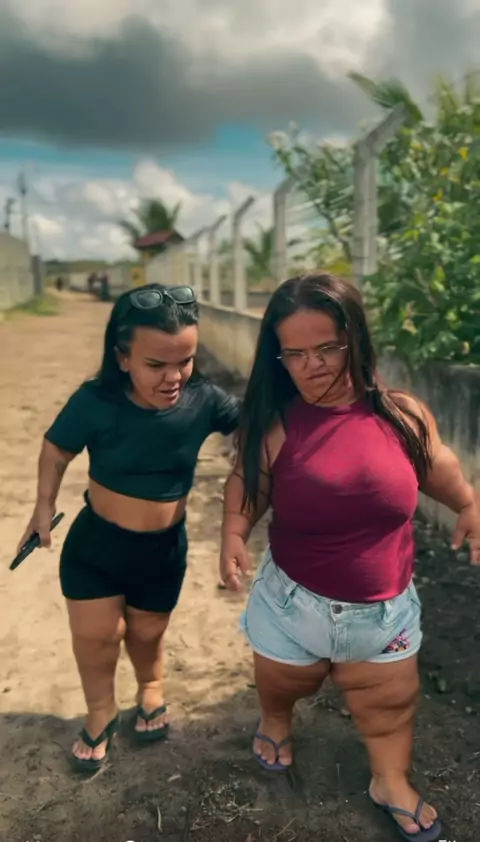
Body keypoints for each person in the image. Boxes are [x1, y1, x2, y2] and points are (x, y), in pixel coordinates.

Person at [220, 273, 480, 842]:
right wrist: (234, 532)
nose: (312, 364)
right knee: (283, 680)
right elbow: (247, 484)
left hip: (384, 612)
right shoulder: (277, 425)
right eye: (295, 354)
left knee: (388, 703)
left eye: (327, 347)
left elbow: (438, 465)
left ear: (355, 339)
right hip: (293, 603)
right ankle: (275, 720)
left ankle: (390, 781)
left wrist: (467, 503)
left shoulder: (403, 416)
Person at [18, 283, 241, 774]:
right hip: (96, 546)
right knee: (97, 635)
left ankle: (151, 687)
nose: (173, 377)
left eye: (184, 361)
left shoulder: (204, 399)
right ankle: (101, 711)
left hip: (162, 552)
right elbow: (57, 449)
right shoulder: (95, 401)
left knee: (146, 632)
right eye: (156, 364)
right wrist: (42, 507)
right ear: (122, 358)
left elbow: (253, 425)